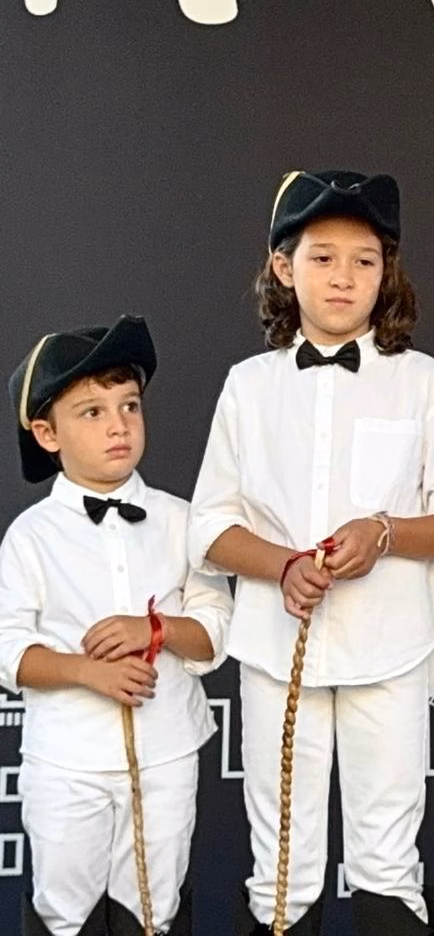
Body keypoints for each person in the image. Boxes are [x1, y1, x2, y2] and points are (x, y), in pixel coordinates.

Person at [187, 170, 434, 935]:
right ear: (283, 267)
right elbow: (211, 525)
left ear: (387, 271)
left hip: (389, 648)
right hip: (275, 651)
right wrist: (283, 567)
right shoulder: (248, 386)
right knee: (281, 867)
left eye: (364, 259)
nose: (344, 277)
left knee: (388, 861)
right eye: (322, 257)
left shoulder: (423, 382)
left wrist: (385, 533)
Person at [0, 315, 231, 936]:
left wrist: (155, 630)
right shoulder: (30, 537)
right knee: (63, 909)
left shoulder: (183, 521)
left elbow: (215, 627)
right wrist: (86, 672)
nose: (119, 425)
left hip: (166, 753)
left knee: (155, 907)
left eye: (129, 405)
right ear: (47, 434)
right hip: (66, 760)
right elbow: (8, 649)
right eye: (92, 412)